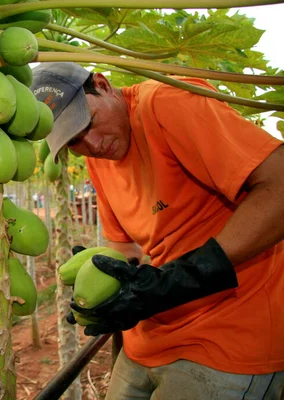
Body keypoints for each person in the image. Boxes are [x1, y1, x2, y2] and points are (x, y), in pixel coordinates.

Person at [30, 62, 284, 399]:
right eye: (75, 141)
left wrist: (183, 278)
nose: (92, 144)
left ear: (103, 85)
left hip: (229, 334)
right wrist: (108, 279)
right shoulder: (98, 156)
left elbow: (279, 187)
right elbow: (125, 249)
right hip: (150, 335)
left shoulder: (168, 103)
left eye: (89, 123)